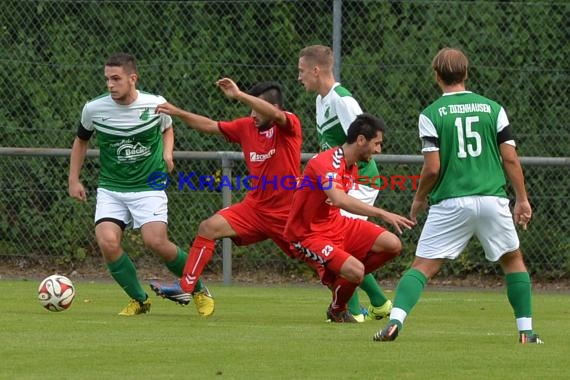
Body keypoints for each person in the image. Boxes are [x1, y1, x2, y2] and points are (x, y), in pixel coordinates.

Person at [373, 47, 543, 344]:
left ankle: (395, 322)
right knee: (513, 260)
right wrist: (522, 199)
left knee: (422, 267)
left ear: (436, 76)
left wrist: (418, 198)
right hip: (492, 200)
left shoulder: (430, 114)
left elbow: (432, 168)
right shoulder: (493, 108)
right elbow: (511, 159)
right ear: (466, 73)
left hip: (451, 202)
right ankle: (526, 332)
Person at [68, 53, 214, 317]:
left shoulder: (155, 104)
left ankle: (198, 289)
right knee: (107, 242)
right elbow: (81, 141)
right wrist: (73, 179)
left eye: (116, 79)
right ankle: (139, 299)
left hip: (149, 186)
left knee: (155, 241)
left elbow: (167, 128)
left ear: (132, 78)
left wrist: (168, 153)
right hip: (112, 188)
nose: (110, 85)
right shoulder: (94, 109)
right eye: (107, 79)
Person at [149, 78, 303, 301]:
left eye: (257, 108)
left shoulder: (289, 125)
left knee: (322, 259)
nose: (252, 114)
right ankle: (186, 287)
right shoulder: (246, 127)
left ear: (274, 108)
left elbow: (279, 117)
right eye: (250, 108)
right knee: (208, 228)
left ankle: (349, 306)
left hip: (287, 213)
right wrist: (178, 112)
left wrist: (239, 95)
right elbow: (210, 125)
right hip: (255, 209)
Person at [284, 113, 415, 322]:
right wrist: (382, 213)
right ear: (361, 140)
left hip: (336, 225)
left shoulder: (351, 166)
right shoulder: (326, 162)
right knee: (355, 270)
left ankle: (342, 280)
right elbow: (338, 199)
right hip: (307, 235)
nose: (379, 150)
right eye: (377, 143)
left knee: (392, 244)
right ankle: (337, 309)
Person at [298, 45, 392, 322]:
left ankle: (355, 311)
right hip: (343, 181)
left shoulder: (343, 100)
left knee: (338, 245)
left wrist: (340, 182)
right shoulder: (320, 101)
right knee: (338, 247)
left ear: (317, 70)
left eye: (302, 71)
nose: (299, 77)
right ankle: (377, 302)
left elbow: (363, 144)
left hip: (361, 180)